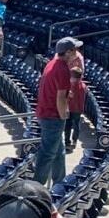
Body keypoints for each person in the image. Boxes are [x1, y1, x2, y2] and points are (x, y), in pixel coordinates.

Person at [34, 36, 81, 186]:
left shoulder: (52, 64)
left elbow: (59, 92)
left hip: (46, 112)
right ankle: (37, 186)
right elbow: (60, 97)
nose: (77, 53)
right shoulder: (62, 69)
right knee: (47, 153)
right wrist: (63, 116)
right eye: (74, 50)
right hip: (52, 116)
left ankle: (60, 183)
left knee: (59, 152)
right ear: (67, 52)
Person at [65, 60, 87, 154]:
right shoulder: (83, 85)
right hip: (78, 109)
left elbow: (69, 96)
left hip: (71, 108)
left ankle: (67, 141)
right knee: (75, 125)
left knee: (68, 125)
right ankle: (74, 141)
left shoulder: (72, 86)